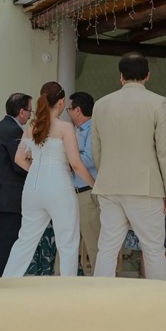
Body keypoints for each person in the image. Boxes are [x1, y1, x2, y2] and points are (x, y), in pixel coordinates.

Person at [92, 52, 166, 280]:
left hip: (109, 185)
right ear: (147, 75)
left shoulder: (100, 104)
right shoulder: (158, 102)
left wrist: (106, 174)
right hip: (145, 186)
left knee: (107, 248)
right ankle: (157, 302)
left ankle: (99, 301)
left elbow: (96, 150)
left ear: (121, 76)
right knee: (154, 250)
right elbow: (165, 151)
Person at [2, 81, 95, 278]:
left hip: (32, 187)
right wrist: (94, 185)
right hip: (59, 186)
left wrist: (37, 170)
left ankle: (6, 284)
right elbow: (76, 163)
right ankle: (67, 293)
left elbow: (19, 158)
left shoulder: (31, 126)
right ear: (61, 102)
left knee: (25, 240)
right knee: (67, 242)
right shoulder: (64, 127)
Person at [0, 93, 34, 279]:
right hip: (10, 198)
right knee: (8, 245)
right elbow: (18, 165)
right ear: (21, 112)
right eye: (29, 111)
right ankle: (3, 285)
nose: (30, 115)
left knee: (1, 243)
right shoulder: (13, 131)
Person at [66, 91, 100, 276]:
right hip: (71, 192)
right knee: (67, 242)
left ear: (77, 110)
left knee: (93, 243)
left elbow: (89, 159)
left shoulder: (94, 129)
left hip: (86, 193)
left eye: (69, 109)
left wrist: (65, 159)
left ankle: (99, 286)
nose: (68, 112)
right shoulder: (72, 130)